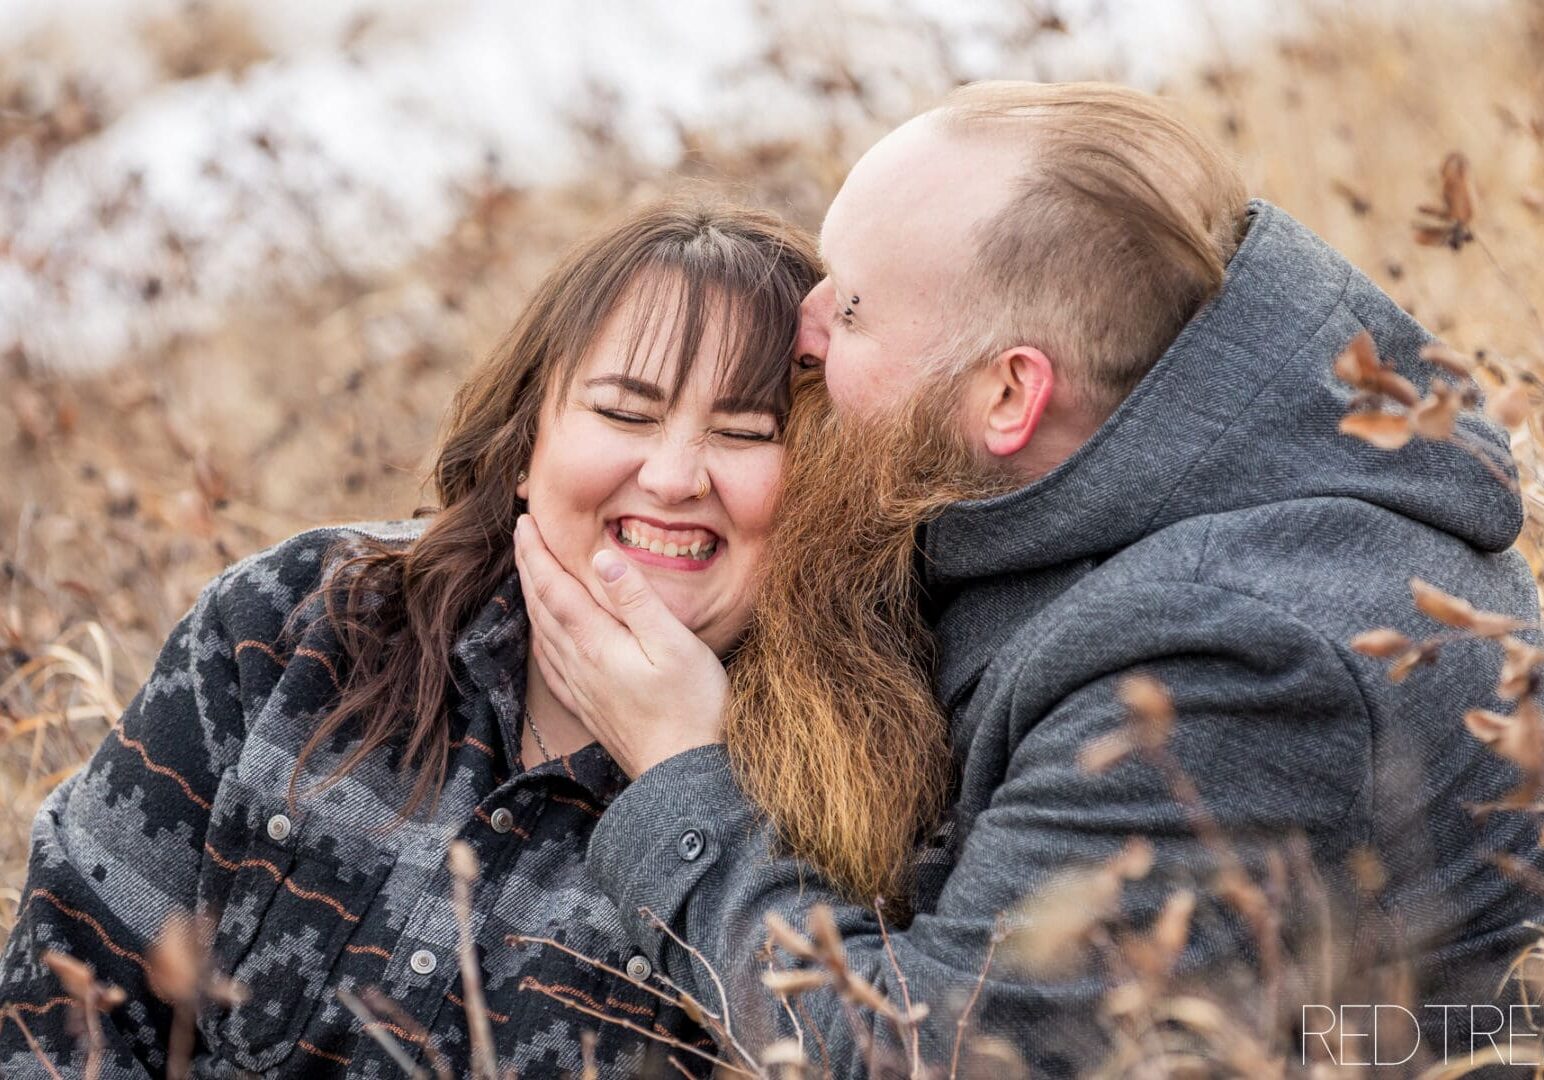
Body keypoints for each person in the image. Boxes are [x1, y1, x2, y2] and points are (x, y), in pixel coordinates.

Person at [515, 81, 1544, 1075]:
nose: (802, 328)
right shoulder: (1114, 480)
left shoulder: (1239, 661)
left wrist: (678, 765)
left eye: (856, 309)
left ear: (1009, 395)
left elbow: (934, 1058)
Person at [0, 200, 822, 1077]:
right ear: (524, 440)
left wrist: (683, 775)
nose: (672, 477)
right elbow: (57, 1010)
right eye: (624, 413)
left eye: (745, 433)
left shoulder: (845, 808)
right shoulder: (299, 621)